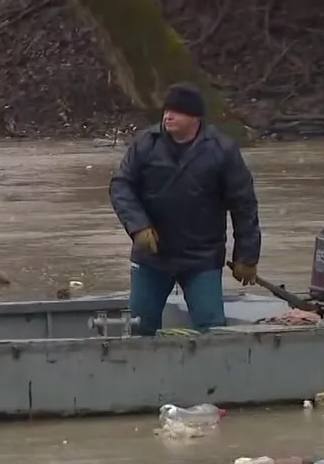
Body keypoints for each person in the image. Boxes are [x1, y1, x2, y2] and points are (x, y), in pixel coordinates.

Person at [108, 82, 261, 336]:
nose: (168, 115)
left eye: (177, 112)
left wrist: (247, 256)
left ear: (196, 117)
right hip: (152, 257)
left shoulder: (223, 150)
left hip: (202, 258)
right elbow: (121, 187)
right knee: (139, 327)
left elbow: (243, 205)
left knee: (211, 329)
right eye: (166, 110)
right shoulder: (146, 143)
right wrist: (138, 227)